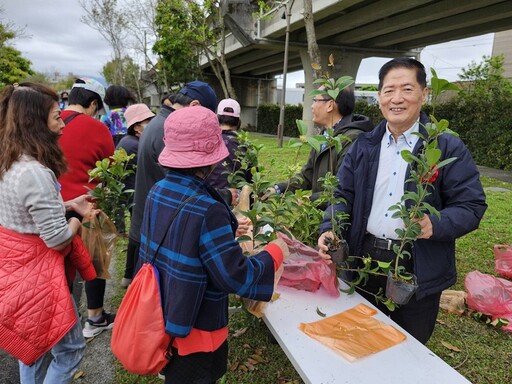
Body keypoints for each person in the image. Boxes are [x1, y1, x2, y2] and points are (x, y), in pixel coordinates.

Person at [317, 57, 487, 344]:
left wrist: (435, 223)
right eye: (388, 90)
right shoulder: (364, 145)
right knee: (358, 336)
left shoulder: (444, 146)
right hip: (364, 258)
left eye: (407, 89)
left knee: (408, 345)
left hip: (416, 264)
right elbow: (342, 194)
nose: (397, 98)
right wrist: (329, 227)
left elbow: (472, 205)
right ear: (380, 96)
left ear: (424, 94)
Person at [135, 105, 288, 384]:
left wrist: (223, 230)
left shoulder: (158, 191)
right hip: (198, 326)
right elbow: (234, 276)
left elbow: (182, 242)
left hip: (163, 310)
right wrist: (276, 252)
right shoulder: (208, 210)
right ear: (212, 159)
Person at [0, 83, 97, 383]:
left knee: (33, 346)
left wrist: (68, 203)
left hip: (15, 268)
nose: (63, 121)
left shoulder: (12, 160)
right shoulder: (35, 172)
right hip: (37, 275)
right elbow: (56, 238)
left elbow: (26, 212)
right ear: (36, 122)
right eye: (57, 116)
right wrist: (77, 221)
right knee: (70, 349)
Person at [124, 81, 218, 288]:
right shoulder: (167, 129)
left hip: (154, 223)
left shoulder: (159, 122)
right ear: (194, 106)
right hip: (162, 228)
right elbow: (185, 185)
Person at [59, 77, 117, 338]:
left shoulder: (44, 121)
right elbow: (111, 168)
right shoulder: (96, 128)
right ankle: (94, 317)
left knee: (59, 269)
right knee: (94, 260)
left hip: (51, 207)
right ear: (93, 103)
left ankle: (61, 322)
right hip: (86, 207)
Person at [267, 87, 373, 204]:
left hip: (337, 218)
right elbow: (307, 175)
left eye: (315, 100)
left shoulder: (352, 139)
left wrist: (311, 200)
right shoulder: (324, 135)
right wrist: (278, 189)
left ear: (330, 105)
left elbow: (344, 188)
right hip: (322, 216)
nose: (312, 106)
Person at [116, 103, 155, 287]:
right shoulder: (133, 144)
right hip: (137, 195)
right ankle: (136, 277)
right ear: (136, 125)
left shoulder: (128, 142)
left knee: (135, 236)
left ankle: (128, 275)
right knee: (140, 237)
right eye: (147, 120)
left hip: (133, 194)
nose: (151, 123)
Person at [206, 98, 253, 189]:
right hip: (236, 197)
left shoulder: (205, 141)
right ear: (238, 121)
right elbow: (252, 179)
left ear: (216, 117)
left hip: (208, 194)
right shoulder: (245, 146)